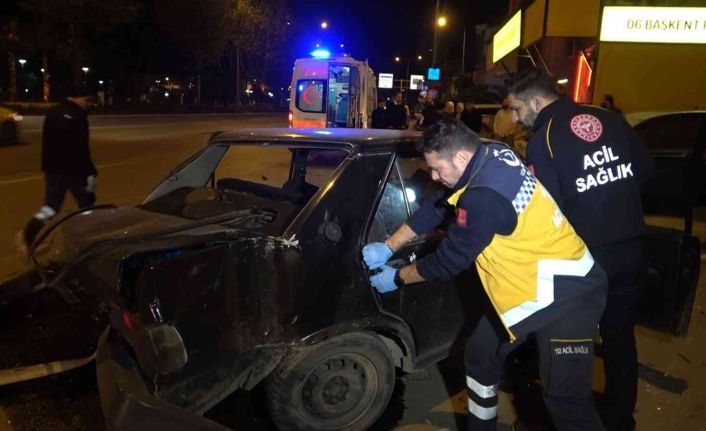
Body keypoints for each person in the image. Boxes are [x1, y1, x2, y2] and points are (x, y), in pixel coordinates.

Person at [363, 119, 608, 431]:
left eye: (437, 169)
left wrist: (396, 278)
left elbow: (448, 261)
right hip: (529, 290)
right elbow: (439, 205)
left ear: (461, 158)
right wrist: (389, 245)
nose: (434, 177)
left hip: (569, 295)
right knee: (481, 354)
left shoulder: (483, 197)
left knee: (566, 399)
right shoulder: (491, 150)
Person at [507, 69, 654, 431]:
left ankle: (573, 419)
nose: (513, 118)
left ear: (536, 102)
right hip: (632, 248)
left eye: (515, 109)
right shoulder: (610, 119)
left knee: (569, 345)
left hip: (586, 263)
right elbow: (647, 170)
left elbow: (548, 210)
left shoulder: (545, 139)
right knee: (620, 340)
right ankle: (621, 420)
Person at [17, 84, 97, 257]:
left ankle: (27, 235)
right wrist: (90, 172)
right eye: (86, 99)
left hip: (53, 171)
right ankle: (84, 241)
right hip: (74, 171)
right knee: (86, 204)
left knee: (50, 208)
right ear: (76, 97)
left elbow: (49, 144)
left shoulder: (53, 112)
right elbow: (80, 149)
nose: (87, 103)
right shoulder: (77, 116)